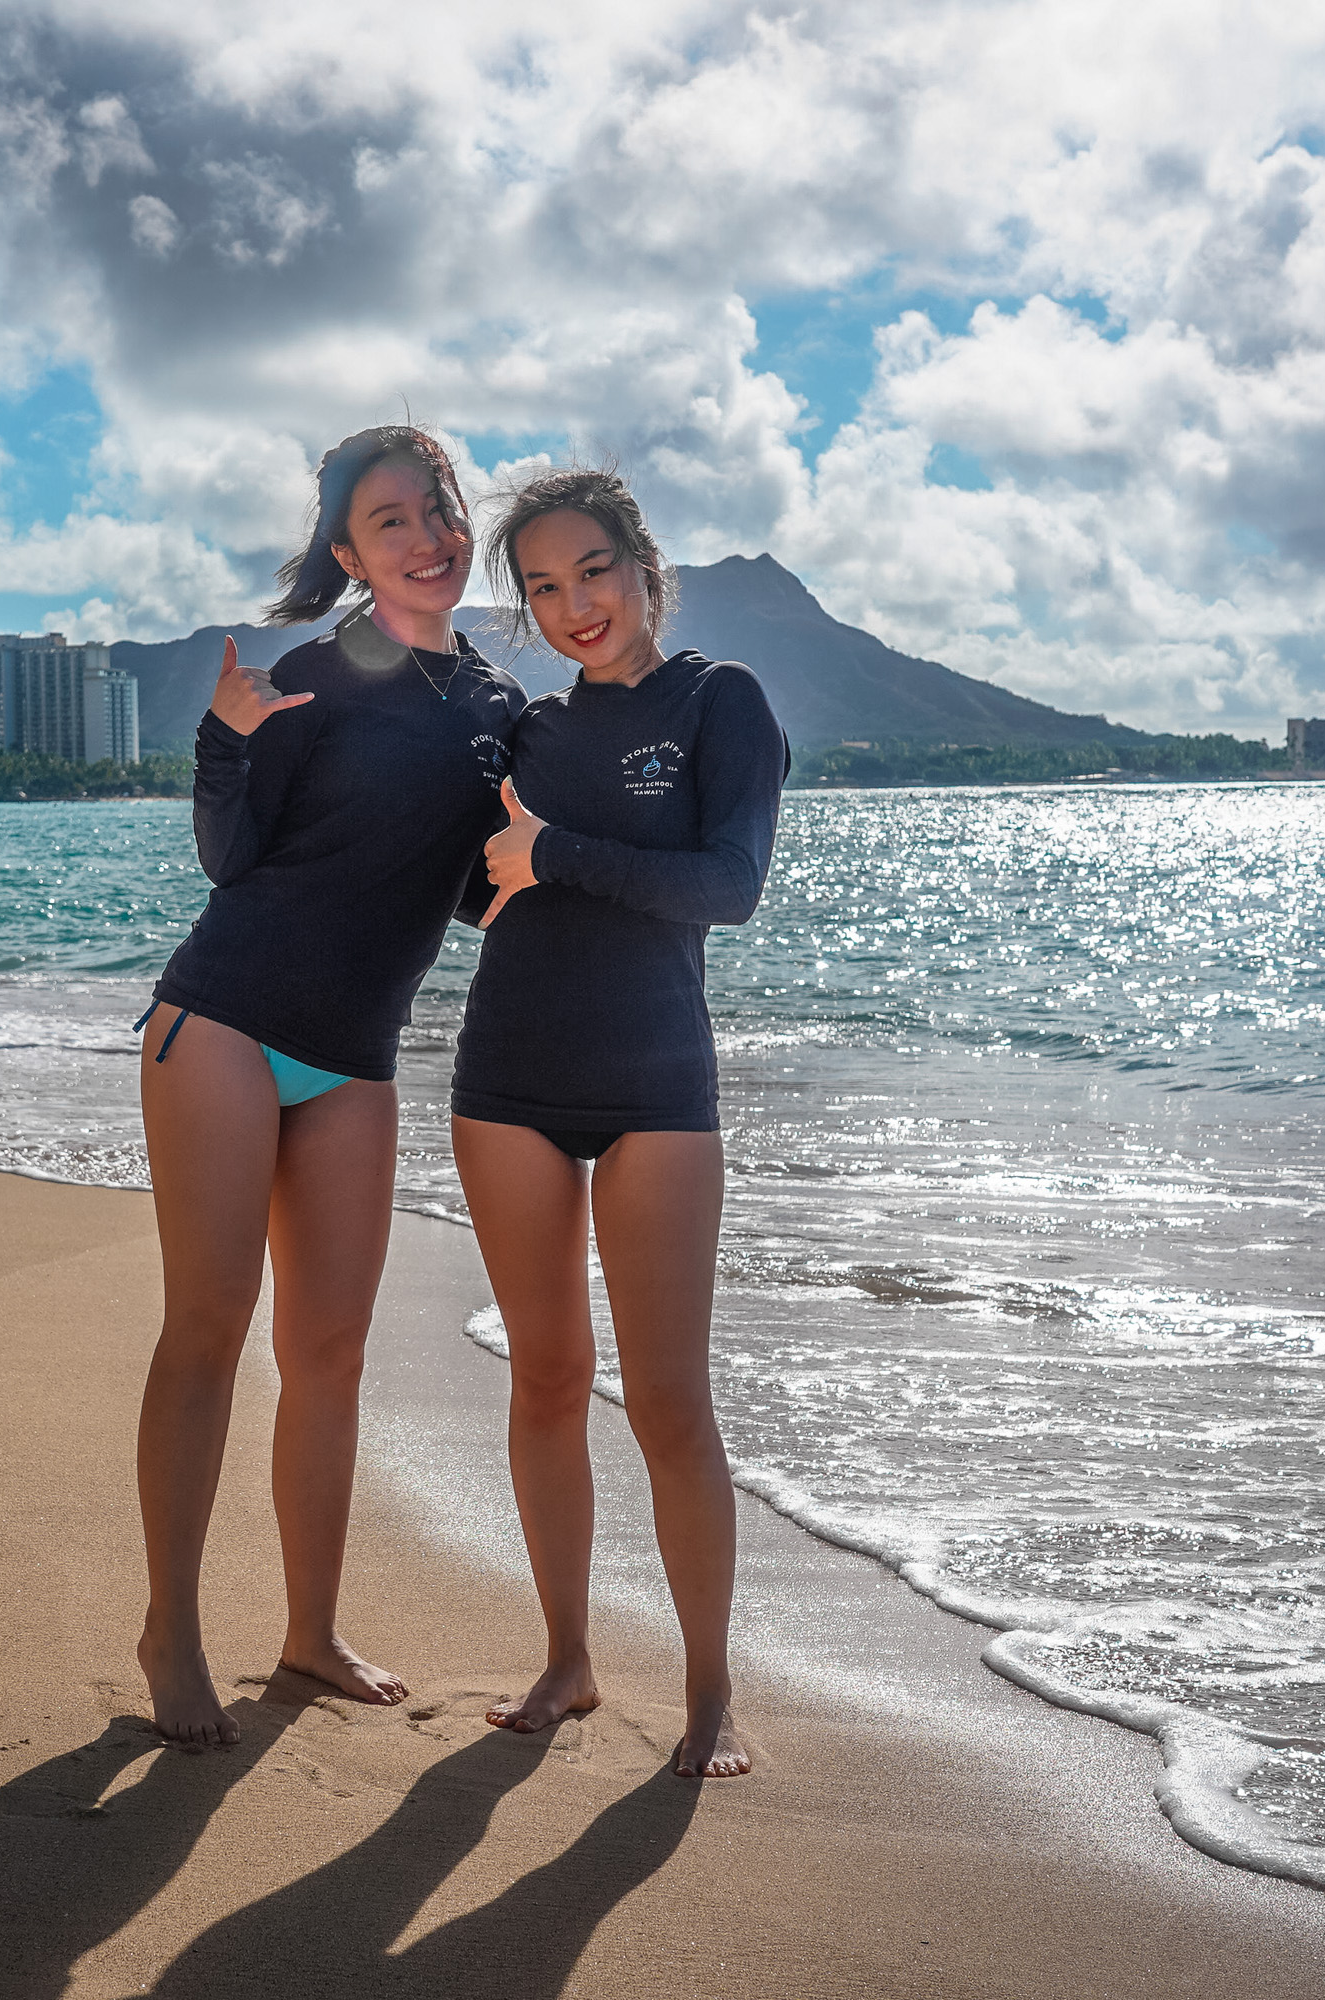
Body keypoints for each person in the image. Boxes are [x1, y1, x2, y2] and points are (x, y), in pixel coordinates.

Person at [135, 426, 525, 1746]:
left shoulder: (495, 709)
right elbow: (230, 860)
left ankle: (307, 1632)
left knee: (331, 1353)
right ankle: (171, 1631)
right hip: (227, 1020)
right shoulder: (312, 675)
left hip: (355, 1054)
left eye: (440, 510)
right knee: (209, 1325)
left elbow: (471, 895)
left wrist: (560, 862)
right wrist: (221, 741)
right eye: (391, 520)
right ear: (351, 554)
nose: (427, 537)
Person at [450, 466, 788, 1778]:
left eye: (593, 570)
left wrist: (558, 859)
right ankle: (567, 1660)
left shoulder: (720, 703)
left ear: (645, 568)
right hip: (509, 1079)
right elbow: (478, 900)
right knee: (545, 1378)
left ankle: (709, 1696)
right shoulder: (527, 736)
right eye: (542, 586)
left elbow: (729, 886)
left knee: (668, 1403)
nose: (573, 604)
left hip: (658, 1088)